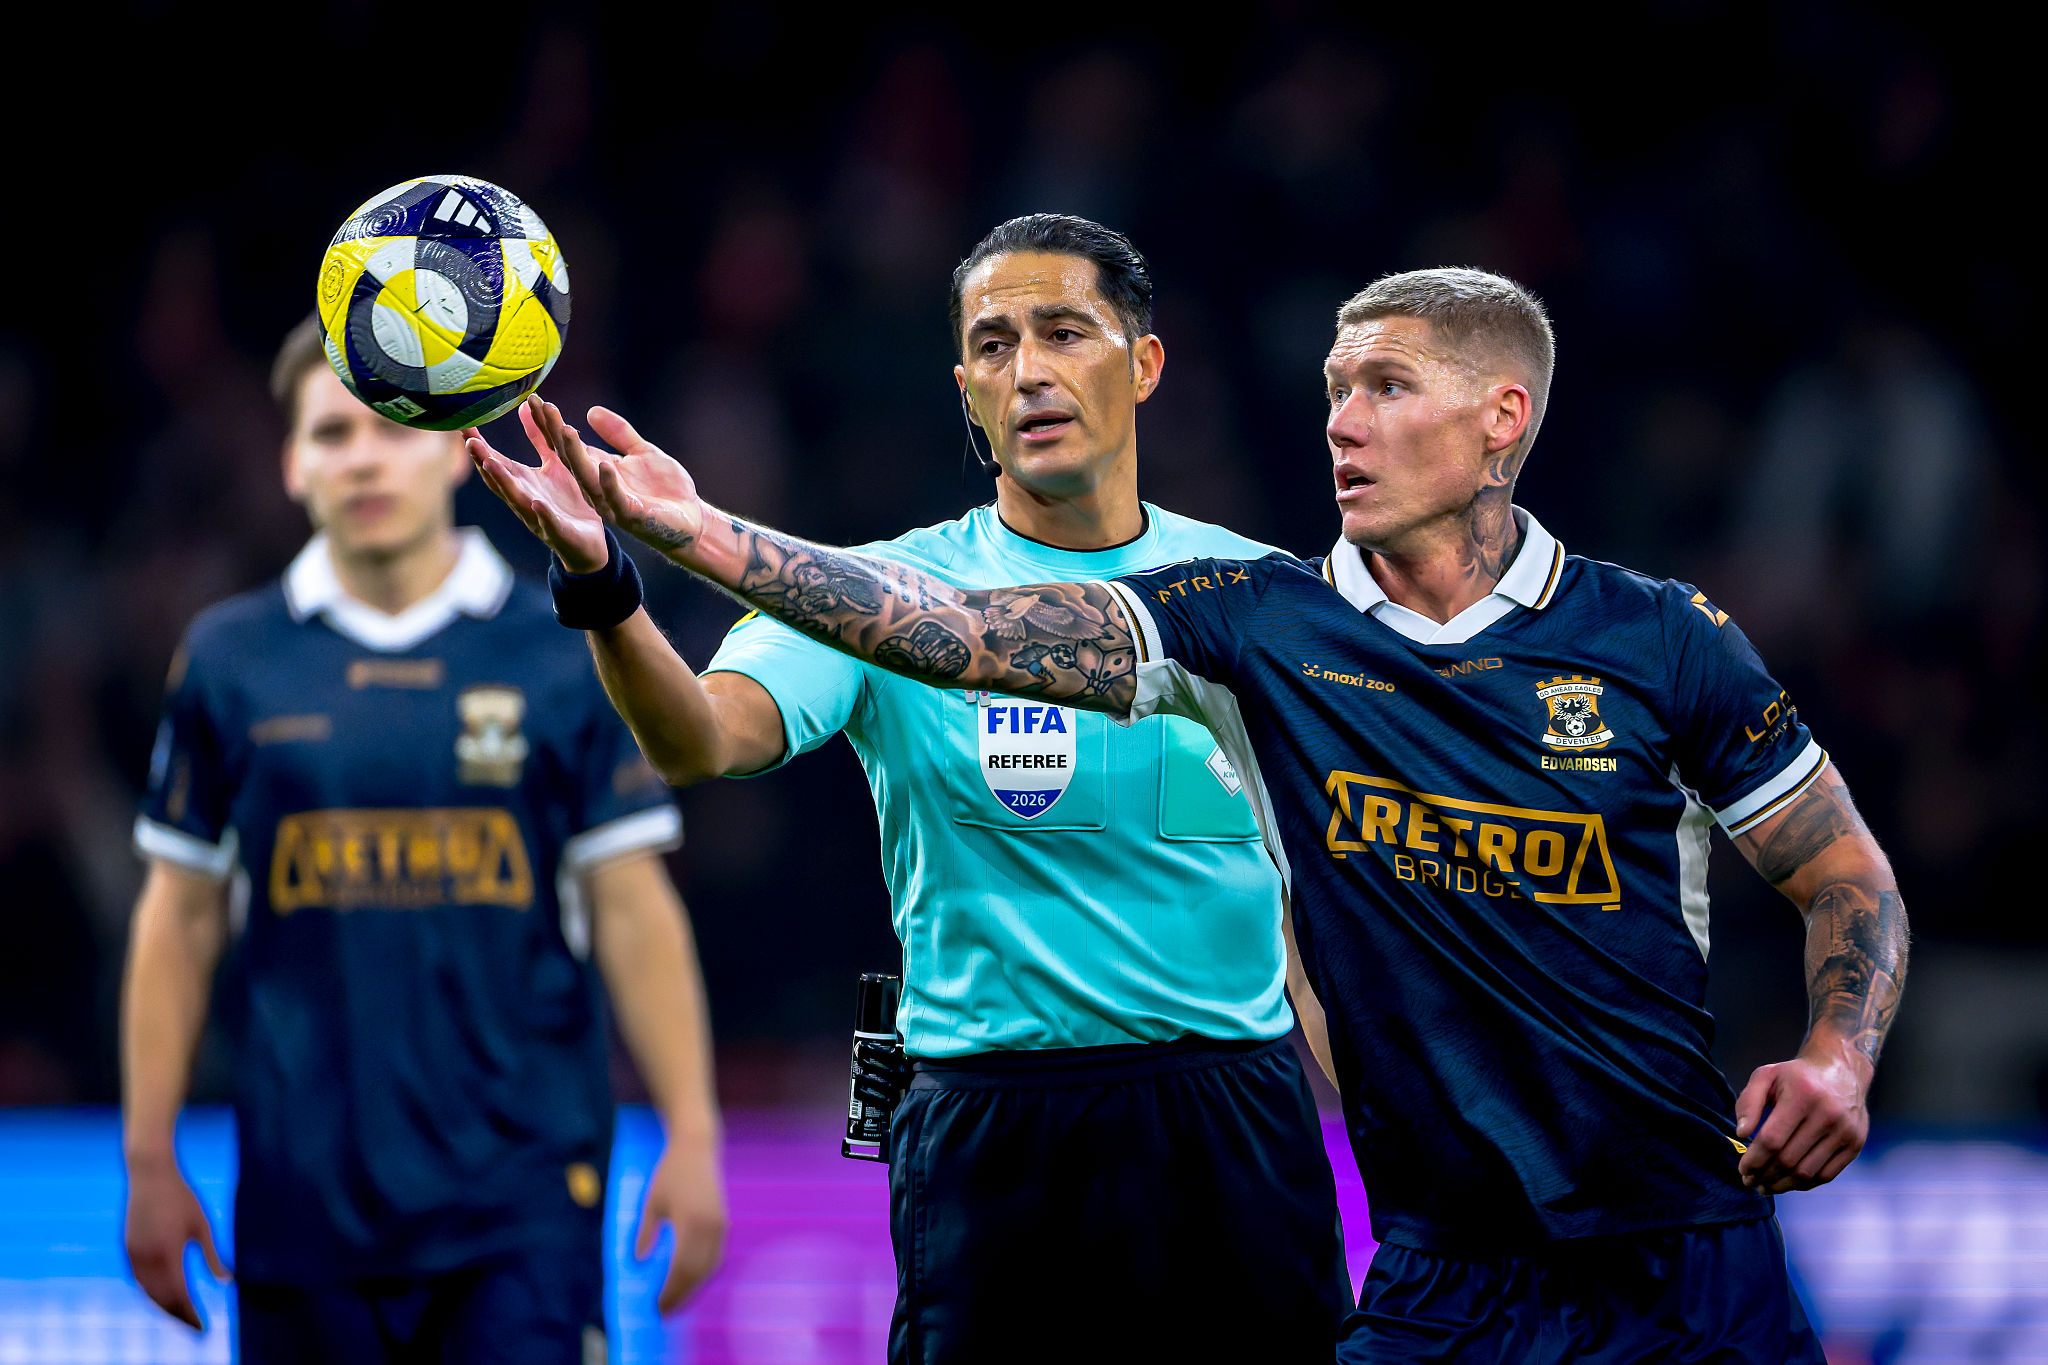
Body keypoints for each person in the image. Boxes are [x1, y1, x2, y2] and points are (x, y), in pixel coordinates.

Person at [490, 266, 1912, 1364]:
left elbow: (1843, 867)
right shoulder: (1261, 624)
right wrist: (686, 536)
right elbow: (955, 635)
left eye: (1389, 387)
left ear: (1502, 422)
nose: (1344, 419)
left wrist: (1840, 1057)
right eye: (1337, 385)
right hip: (1430, 1278)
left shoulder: (1661, 640)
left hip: (1684, 1258)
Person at [471, 214, 1350, 1363]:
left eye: (1062, 332)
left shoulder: (1255, 595)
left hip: (1229, 1116)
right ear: (964, 391)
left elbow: (1311, 902)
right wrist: (600, 581)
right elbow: (699, 738)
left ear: (1143, 364)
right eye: (991, 346)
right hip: (991, 1129)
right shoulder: (879, 595)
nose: (1026, 370)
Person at [121, 318, 726, 1365]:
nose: (359, 459)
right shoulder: (228, 661)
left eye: (388, 430)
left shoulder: (564, 644)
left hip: (521, 1201)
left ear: (455, 446)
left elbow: (632, 907)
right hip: (301, 1202)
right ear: (290, 463)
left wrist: (694, 1134)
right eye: (329, 435)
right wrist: (146, 1159)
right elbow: (177, 917)